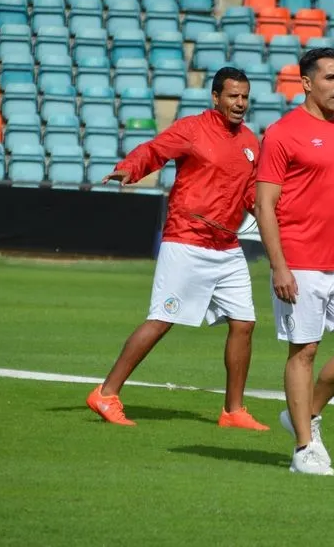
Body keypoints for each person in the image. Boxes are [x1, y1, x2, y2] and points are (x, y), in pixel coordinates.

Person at [86, 67, 269, 432]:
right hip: (186, 241)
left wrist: (278, 214)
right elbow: (155, 150)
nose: (240, 103)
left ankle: (233, 411)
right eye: (233, 96)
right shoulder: (192, 129)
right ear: (215, 97)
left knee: (245, 323)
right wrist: (129, 169)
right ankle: (106, 393)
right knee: (161, 320)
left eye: (245, 97)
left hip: (227, 247)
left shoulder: (251, 140)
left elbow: (251, 195)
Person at [254, 48, 334, 476]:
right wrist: (279, 265)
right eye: (330, 78)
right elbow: (264, 205)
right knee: (304, 350)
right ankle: (304, 448)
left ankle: (304, 411)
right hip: (300, 261)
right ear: (306, 83)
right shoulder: (282, 133)